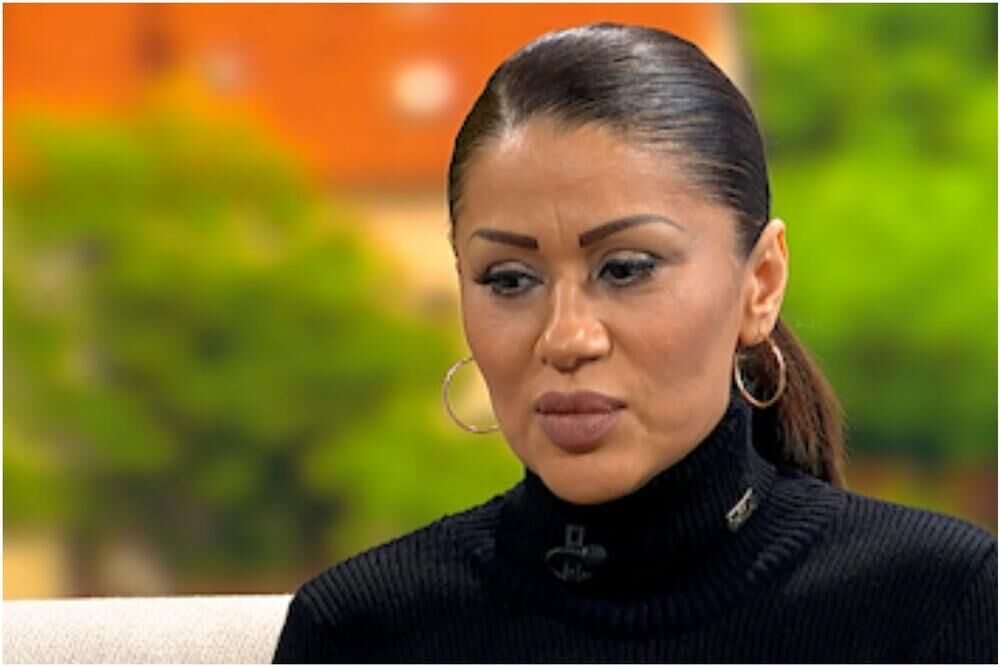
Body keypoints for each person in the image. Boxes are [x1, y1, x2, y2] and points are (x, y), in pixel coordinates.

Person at [273, 23, 997, 662]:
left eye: (625, 269)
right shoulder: (362, 631)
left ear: (761, 284)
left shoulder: (940, 604)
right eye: (510, 279)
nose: (566, 338)